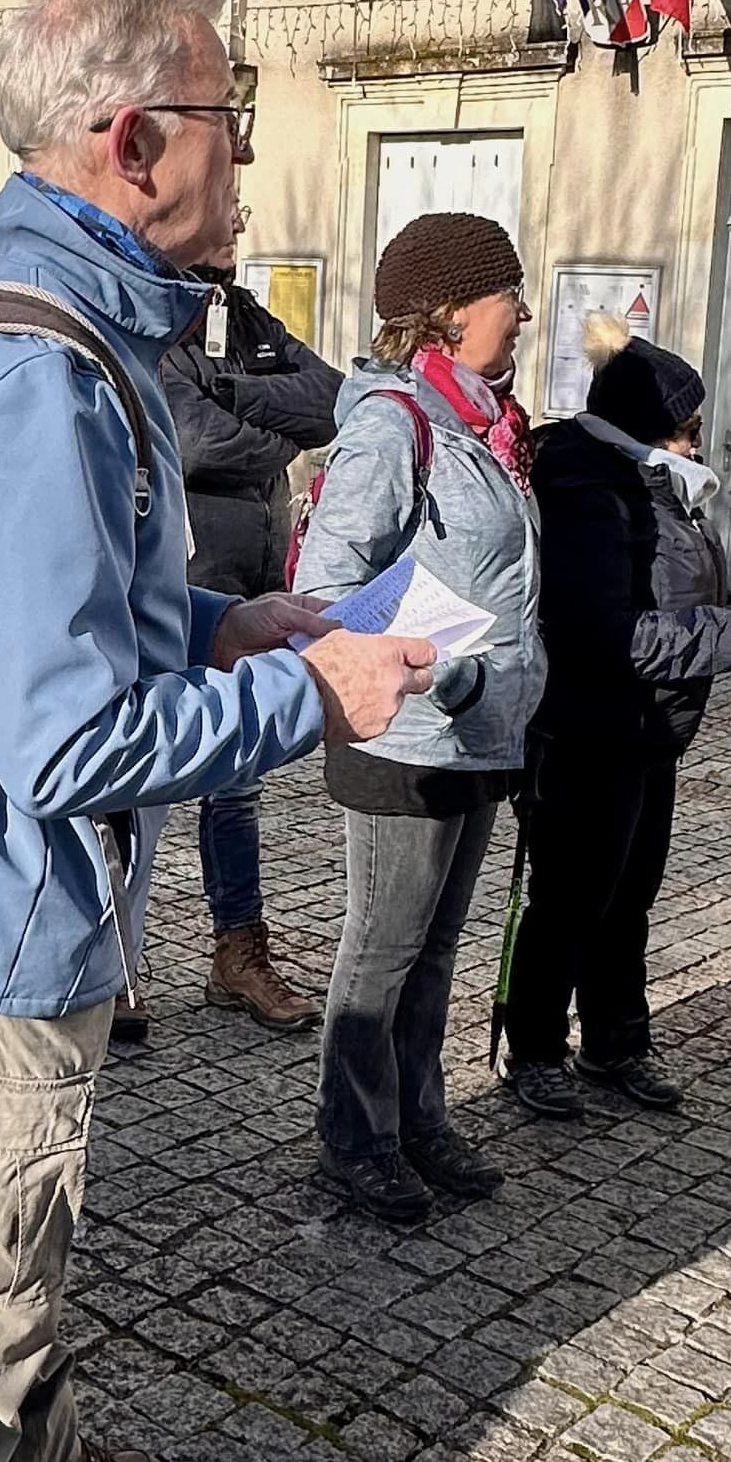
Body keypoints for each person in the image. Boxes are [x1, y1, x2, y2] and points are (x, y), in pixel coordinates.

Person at [0, 0, 433, 1462]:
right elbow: (70, 738)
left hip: (30, 903)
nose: (248, 157)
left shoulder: (82, 321)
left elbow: (58, 637)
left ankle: (32, 1449)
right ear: (138, 139)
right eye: (234, 119)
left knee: (28, 1219)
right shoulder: (34, 360)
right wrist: (321, 700)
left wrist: (229, 635)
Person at [294, 211, 545, 1224]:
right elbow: (327, 587)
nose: (523, 312)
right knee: (384, 947)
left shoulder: (486, 423)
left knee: (438, 947)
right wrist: (437, 673)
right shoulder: (396, 423)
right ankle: (354, 1137)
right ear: (448, 312)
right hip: (407, 732)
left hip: (482, 729)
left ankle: (417, 1116)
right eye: (507, 293)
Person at [498, 312, 731, 1119]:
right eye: (688, 431)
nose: (696, 447)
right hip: (590, 728)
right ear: (647, 428)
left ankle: (617, 1041)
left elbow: (681, 588)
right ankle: (538, 1048)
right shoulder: (591, 486)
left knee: (629, 895)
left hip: (650, 728)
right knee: (571, 897)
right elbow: (601, 632)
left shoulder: (649, 480)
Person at [160, 204, 343, 1032]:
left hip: (256, 585)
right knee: (134, 792)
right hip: (177, 588)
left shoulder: (248, 325)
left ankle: (237, 954)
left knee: (235, 783)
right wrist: (280, 437)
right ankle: (113, 961)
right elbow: (190, 444)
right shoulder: (154, 327)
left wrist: (233, 391)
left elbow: (333, 401)